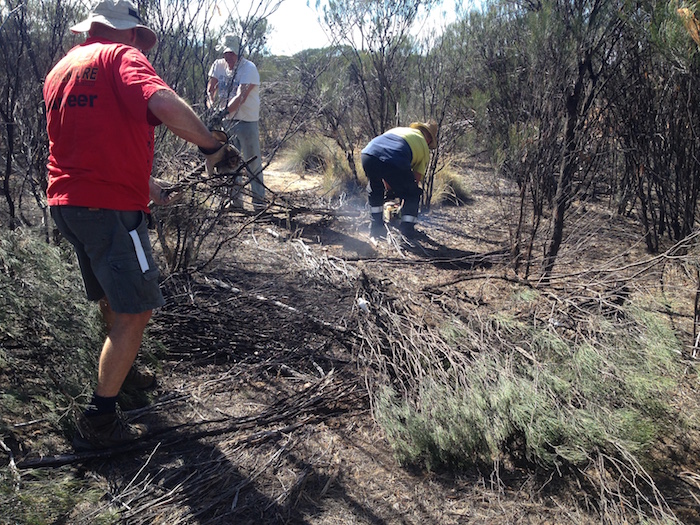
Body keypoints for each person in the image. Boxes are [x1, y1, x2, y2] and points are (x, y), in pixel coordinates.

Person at [43, 0, 240, 451]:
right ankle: (101, 417)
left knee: (116, 298)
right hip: (109, 209)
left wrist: (146, 186)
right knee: (135, 310)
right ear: (125, 32)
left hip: (70, 203)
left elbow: (87, 142)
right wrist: (211, 147)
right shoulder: (122, 57)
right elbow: (162, 101)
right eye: (136, 34)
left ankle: (122, 371)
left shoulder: (62, 69)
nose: (138, 42)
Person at [207, 33, 265, 210]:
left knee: (252, 163)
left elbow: (241, 96)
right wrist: (211, 108)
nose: (228, 56)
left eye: (232, 53)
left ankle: (259, 205)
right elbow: (210, 90)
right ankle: (235, 203)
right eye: (226, 53)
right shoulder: (218, 66)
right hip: (227, 124)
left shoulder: (248, 68)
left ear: (239, 52)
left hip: (247, 121)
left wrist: (222, 111)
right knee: (230, 163)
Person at [361, 121, 438, 239]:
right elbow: (414, 181)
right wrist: (403, 198)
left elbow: (384, 162)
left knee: (375, 188)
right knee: (413, 194)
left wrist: (391, 191)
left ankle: (376, 229)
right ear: (429, 140)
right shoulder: (423, 146)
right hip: (393, 158)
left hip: (368, 153)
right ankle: (406, 234)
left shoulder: (399, 130)